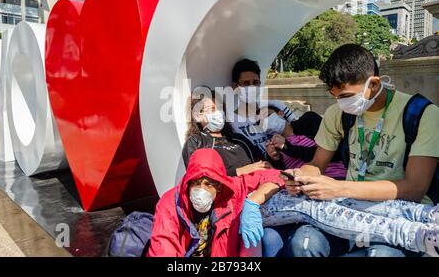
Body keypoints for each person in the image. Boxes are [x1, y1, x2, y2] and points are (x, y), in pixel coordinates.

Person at [278, 44, 439, 257]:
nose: (341, 103)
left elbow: (414, 188)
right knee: (303, 244)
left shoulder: (423, 114)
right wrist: (300, 176)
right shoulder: (337, 113)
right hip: (347, 209)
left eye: (346, 96)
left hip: (400, 215)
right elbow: (317, 164)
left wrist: (339, 188)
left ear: (373, 84)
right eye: (335, 97)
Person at [147, 149, 285, 257]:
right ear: (187, 183)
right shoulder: (170, 202)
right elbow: (163, 249)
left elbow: (277, 175)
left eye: (208, 184)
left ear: (219, 186)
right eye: (195, 183)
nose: (201, 190)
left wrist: (253, 202)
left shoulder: (232, 190)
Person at [182, 88, 283, 176]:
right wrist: (241, 171)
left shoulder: (238, 139)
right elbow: (199, 177)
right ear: (198, 115)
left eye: (220, 108)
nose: (218, 113)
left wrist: (274, 158)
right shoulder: (197, 142)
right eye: (212, 109)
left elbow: (261, 165)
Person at [227, 59, 297, 157]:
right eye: (246, 83)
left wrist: (283, 126)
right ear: (235, 86)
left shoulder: (275, 106)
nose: (252, 87)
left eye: (255, 82)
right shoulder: (231, 122)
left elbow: (299, 135)